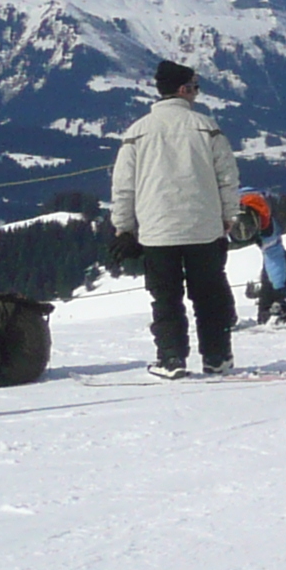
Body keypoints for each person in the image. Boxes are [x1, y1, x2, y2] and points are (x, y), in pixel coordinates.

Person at [111, 59, 241, 378]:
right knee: (209, 297)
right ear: (183, 90)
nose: (197, 93)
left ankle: (171, 358)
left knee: (166, 299)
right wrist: (229, 216)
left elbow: (123, 187)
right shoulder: (207, 127)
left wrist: (123, 228)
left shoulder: (136, 133)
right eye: (195, 87)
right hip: (204, 228)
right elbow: (227, 177)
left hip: (157, 233)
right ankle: (217, 357)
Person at [241, 191, 286, 327]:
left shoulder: (267, 229)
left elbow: (274, 257)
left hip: (249, 210)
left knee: (276, 271)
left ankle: (280, 305)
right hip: (216, 215)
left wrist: (280, 291)